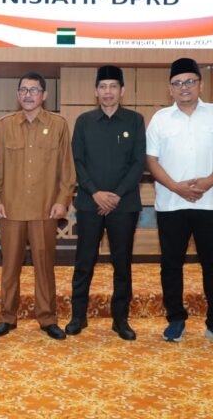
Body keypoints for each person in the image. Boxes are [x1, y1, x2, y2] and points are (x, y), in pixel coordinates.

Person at [146, 57, 213, 348]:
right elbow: (151, 160)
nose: (184, 87)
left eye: (189, 81)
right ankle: (175, 319)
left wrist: (210, 181)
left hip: (211, 203)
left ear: (200, 85)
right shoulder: (160, 119)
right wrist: (176, 187)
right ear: (170, 89)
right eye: (177, 83)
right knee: (171, 264)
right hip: (171, 204)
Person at [0, 72, 72, 341]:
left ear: (44, 95)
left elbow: (66, 168)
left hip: (45, 209)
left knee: (44, 267)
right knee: (9, 267)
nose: (28, 95)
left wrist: (62, 200)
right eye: (23, 90)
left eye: (34, 90)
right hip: (11, 209)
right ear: (17, 94)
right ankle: (7, 317)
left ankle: (47, 318)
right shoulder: (6, 125)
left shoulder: (58, 125)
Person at [66, 65, 145, 341]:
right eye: (103, 87)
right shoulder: (84, 121)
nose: (108, 92)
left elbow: (138, 163)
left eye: (113, 86)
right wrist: (96, 193)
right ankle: (78, 316)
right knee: (84, 262)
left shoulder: (135, 121)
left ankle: (120, 319)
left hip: (124, 205)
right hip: (90, 204)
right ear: (96, 91)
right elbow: (77, 161)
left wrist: (116, 195)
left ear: (122, 91)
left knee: (122, 264)